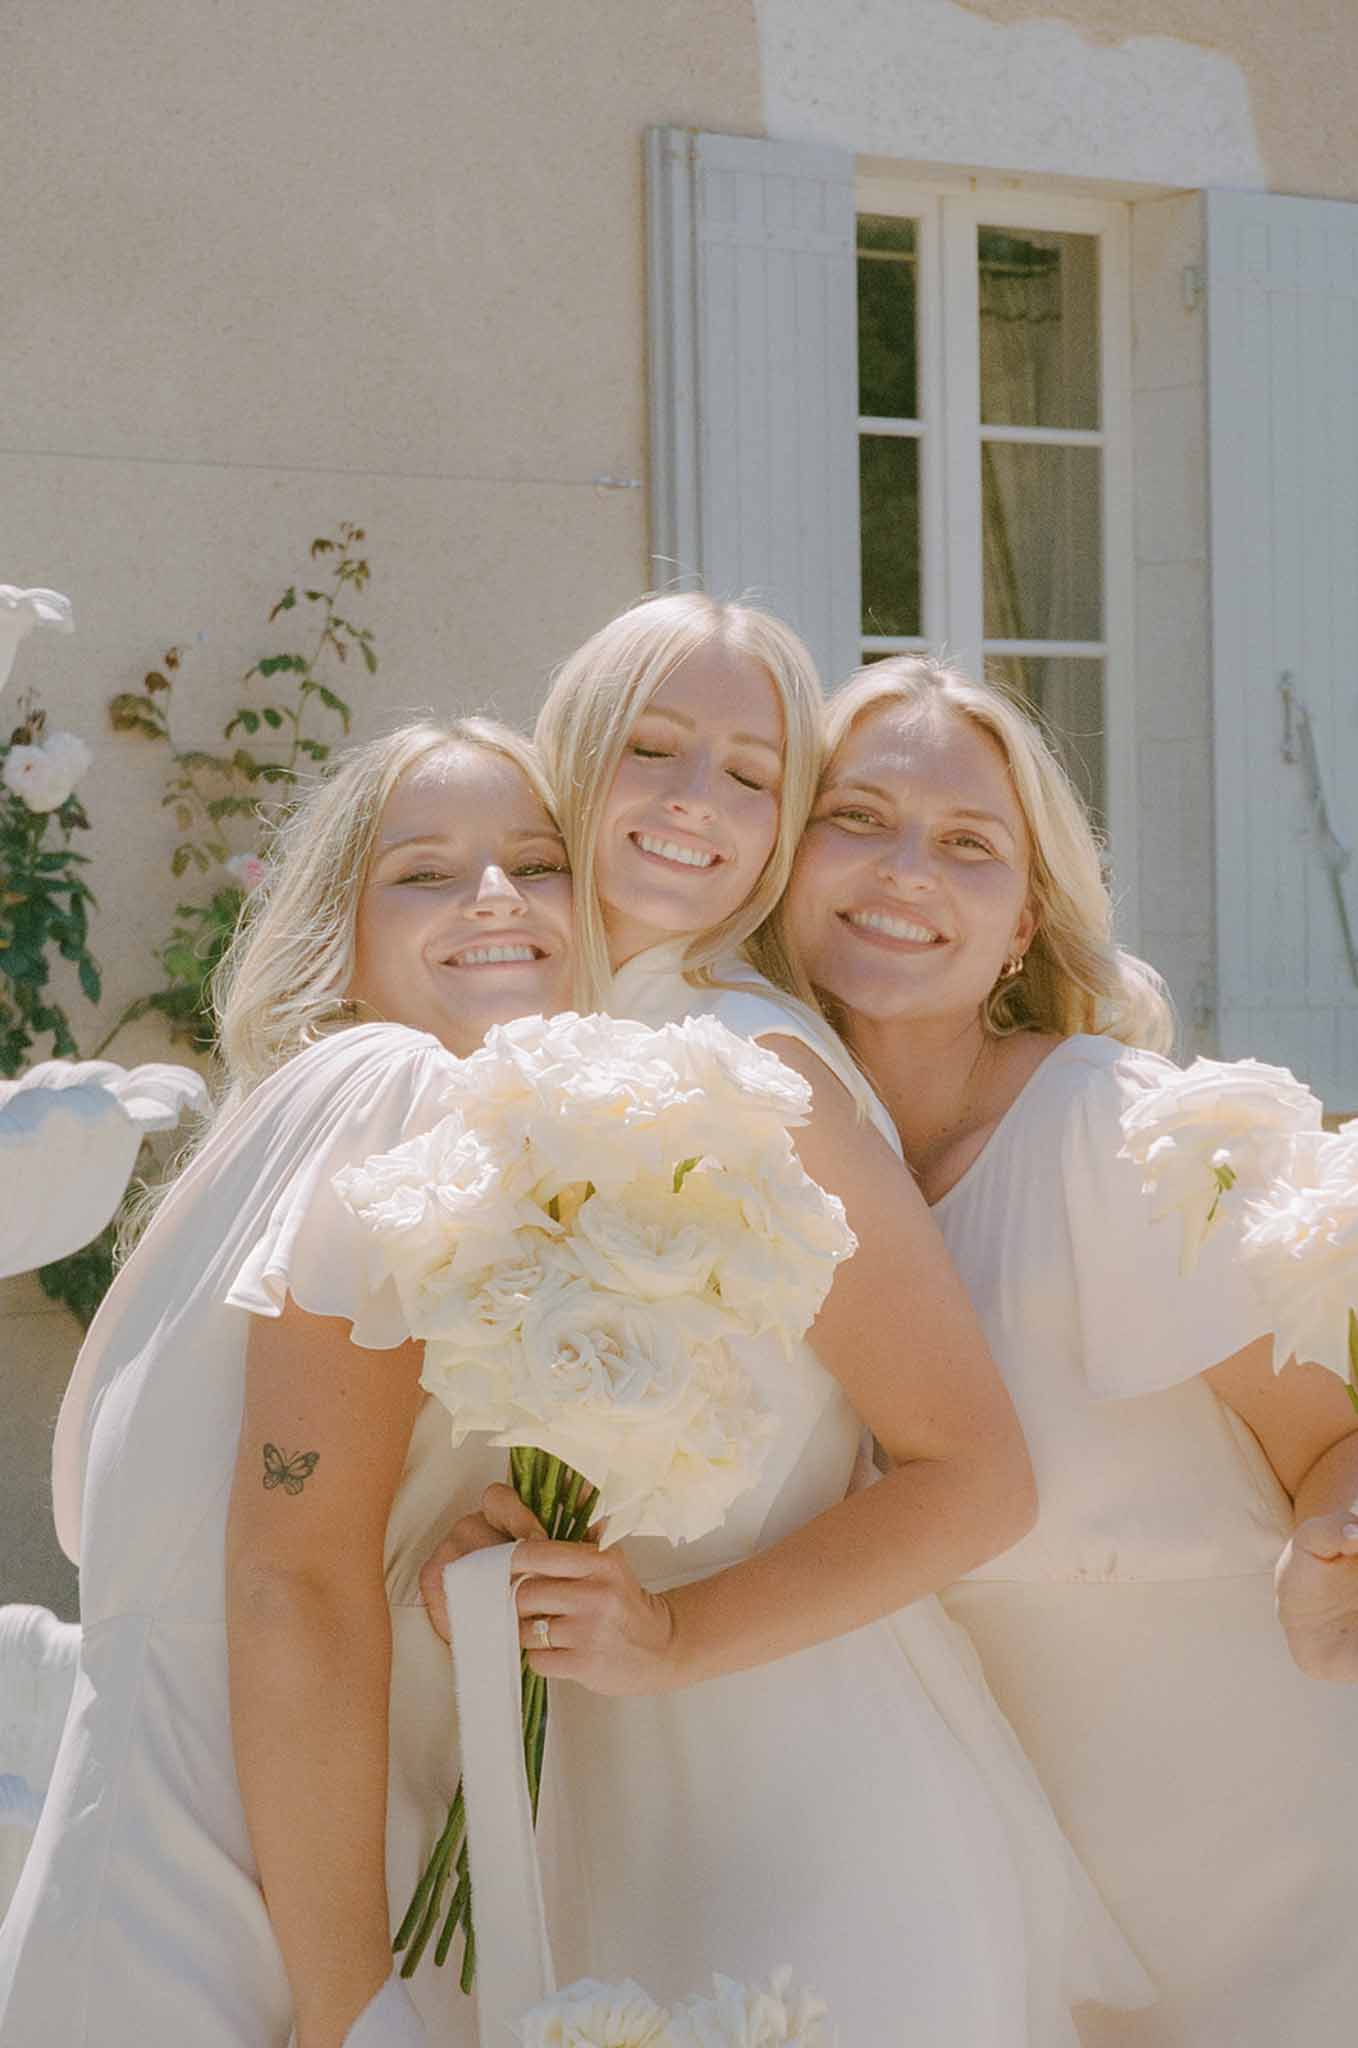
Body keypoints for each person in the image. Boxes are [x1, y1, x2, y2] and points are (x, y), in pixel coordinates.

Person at [422, 594, 1152, 2047]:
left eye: (752, 775)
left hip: (801, 1784)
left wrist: (673, 1639)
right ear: (571, 754)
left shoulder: (755, 1061)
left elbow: (973, 1477)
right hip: (596, 1774)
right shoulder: (536, 1034)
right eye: (653, 747)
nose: (697, 803)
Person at [774, 653, 1358, 2048]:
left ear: (1022, 919)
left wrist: (1330, 1541)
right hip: (937, 1843)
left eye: (967, 845)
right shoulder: (743, 1162)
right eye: (855, 819)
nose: (905, 870)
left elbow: (1336, 1439)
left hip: (1234, 1831)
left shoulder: (1119, 1136)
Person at [0, 718, 575, 2048]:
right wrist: (346, 2003)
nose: (492, 897)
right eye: (425, 873)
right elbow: (287, 1574)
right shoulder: (400, 1088)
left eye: (534, 863)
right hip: (246, 1919)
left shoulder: (271, 1125)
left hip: (121, 1873)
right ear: (341, 932)